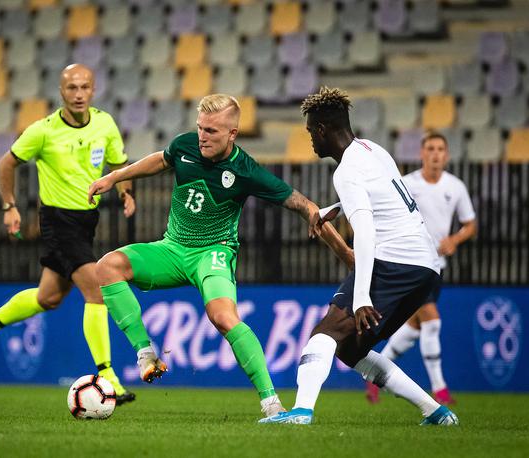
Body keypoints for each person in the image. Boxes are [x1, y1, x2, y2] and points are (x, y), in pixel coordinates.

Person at [87, 94, 354, 419]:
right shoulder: (185, 146)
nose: (202, 136)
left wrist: (343, 249)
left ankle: (271, 403)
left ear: (232, 134)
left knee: (223, 317)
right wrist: (113, 177)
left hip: (212, 254)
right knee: (107, 267)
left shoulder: (245, 169)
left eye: (212, 131)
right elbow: (160, 159)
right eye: (200, 128)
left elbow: (301, 204)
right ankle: (146, 354)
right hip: (172, 249)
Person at [260, 87, 459, 425]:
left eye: (311, 132)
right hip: (426, 267)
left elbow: (366, 233)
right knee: (352, 350)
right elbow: (387, 196)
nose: (310, 140)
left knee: (324, 334)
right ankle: (437, 412)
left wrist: (362, 296)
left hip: (396, 260)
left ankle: (301, 412)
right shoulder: (372, 149)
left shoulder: (346, 171)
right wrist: (337, 208)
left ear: (322, 130)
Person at [0, 64, 136, 405]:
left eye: (84, 87)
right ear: (61, 91)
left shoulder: (105, 123)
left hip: (87, 221)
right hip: (58, 221)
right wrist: (9, 206)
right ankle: (108, 375)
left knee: (49, 298)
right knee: (98, 290)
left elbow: (119, 166)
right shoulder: (43, 131)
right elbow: (6, 163)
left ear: (93, 90)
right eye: (71, 87)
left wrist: (125, 192)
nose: (77, 94)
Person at [366, 131, 476, 405]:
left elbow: (470, 224)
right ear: (422, 153)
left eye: (440, 148)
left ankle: (375, 375)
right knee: (432, 320)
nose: (435, 153)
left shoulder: (456, 187)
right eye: (430, 148)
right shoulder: (408, 183)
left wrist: (454, 239)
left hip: (437, 267)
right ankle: (439, 389)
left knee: (414, 328)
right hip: (412, 263)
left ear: (447, 155)